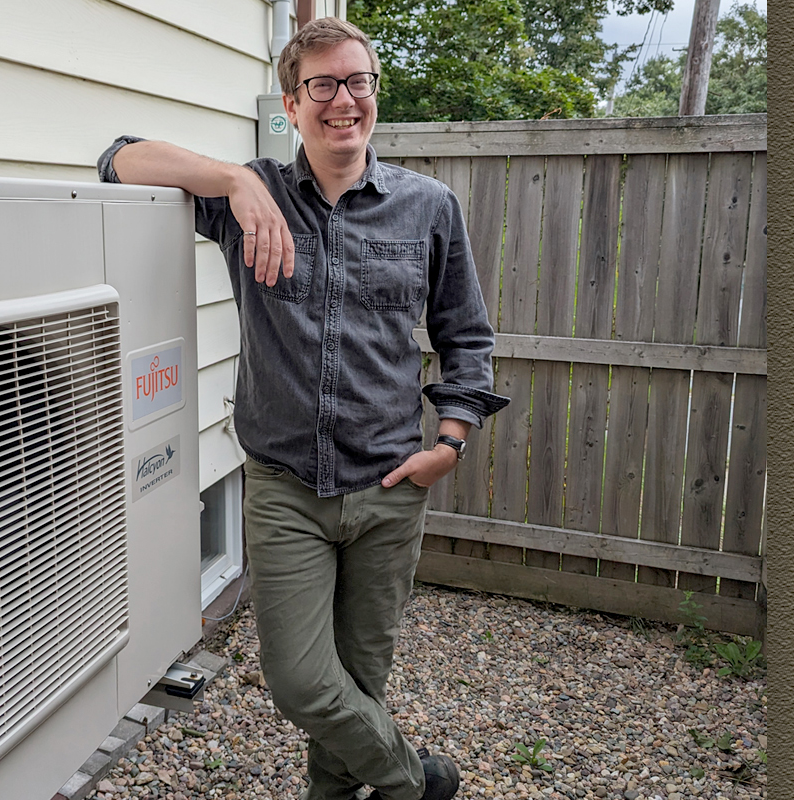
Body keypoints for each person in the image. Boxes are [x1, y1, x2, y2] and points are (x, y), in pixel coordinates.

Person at [98, 17, 507, 800]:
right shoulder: (247, 199)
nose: (343, 100)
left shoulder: (428, 207)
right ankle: (411, 784)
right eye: (322, 85)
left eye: (357, 81)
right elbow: (117, 160)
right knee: (300, 684)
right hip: (287, 487)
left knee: (359, 677)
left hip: (391, 486)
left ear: (375, 93)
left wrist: (449, 443)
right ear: (292, 102)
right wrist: (234, 179)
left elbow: (468, 336)